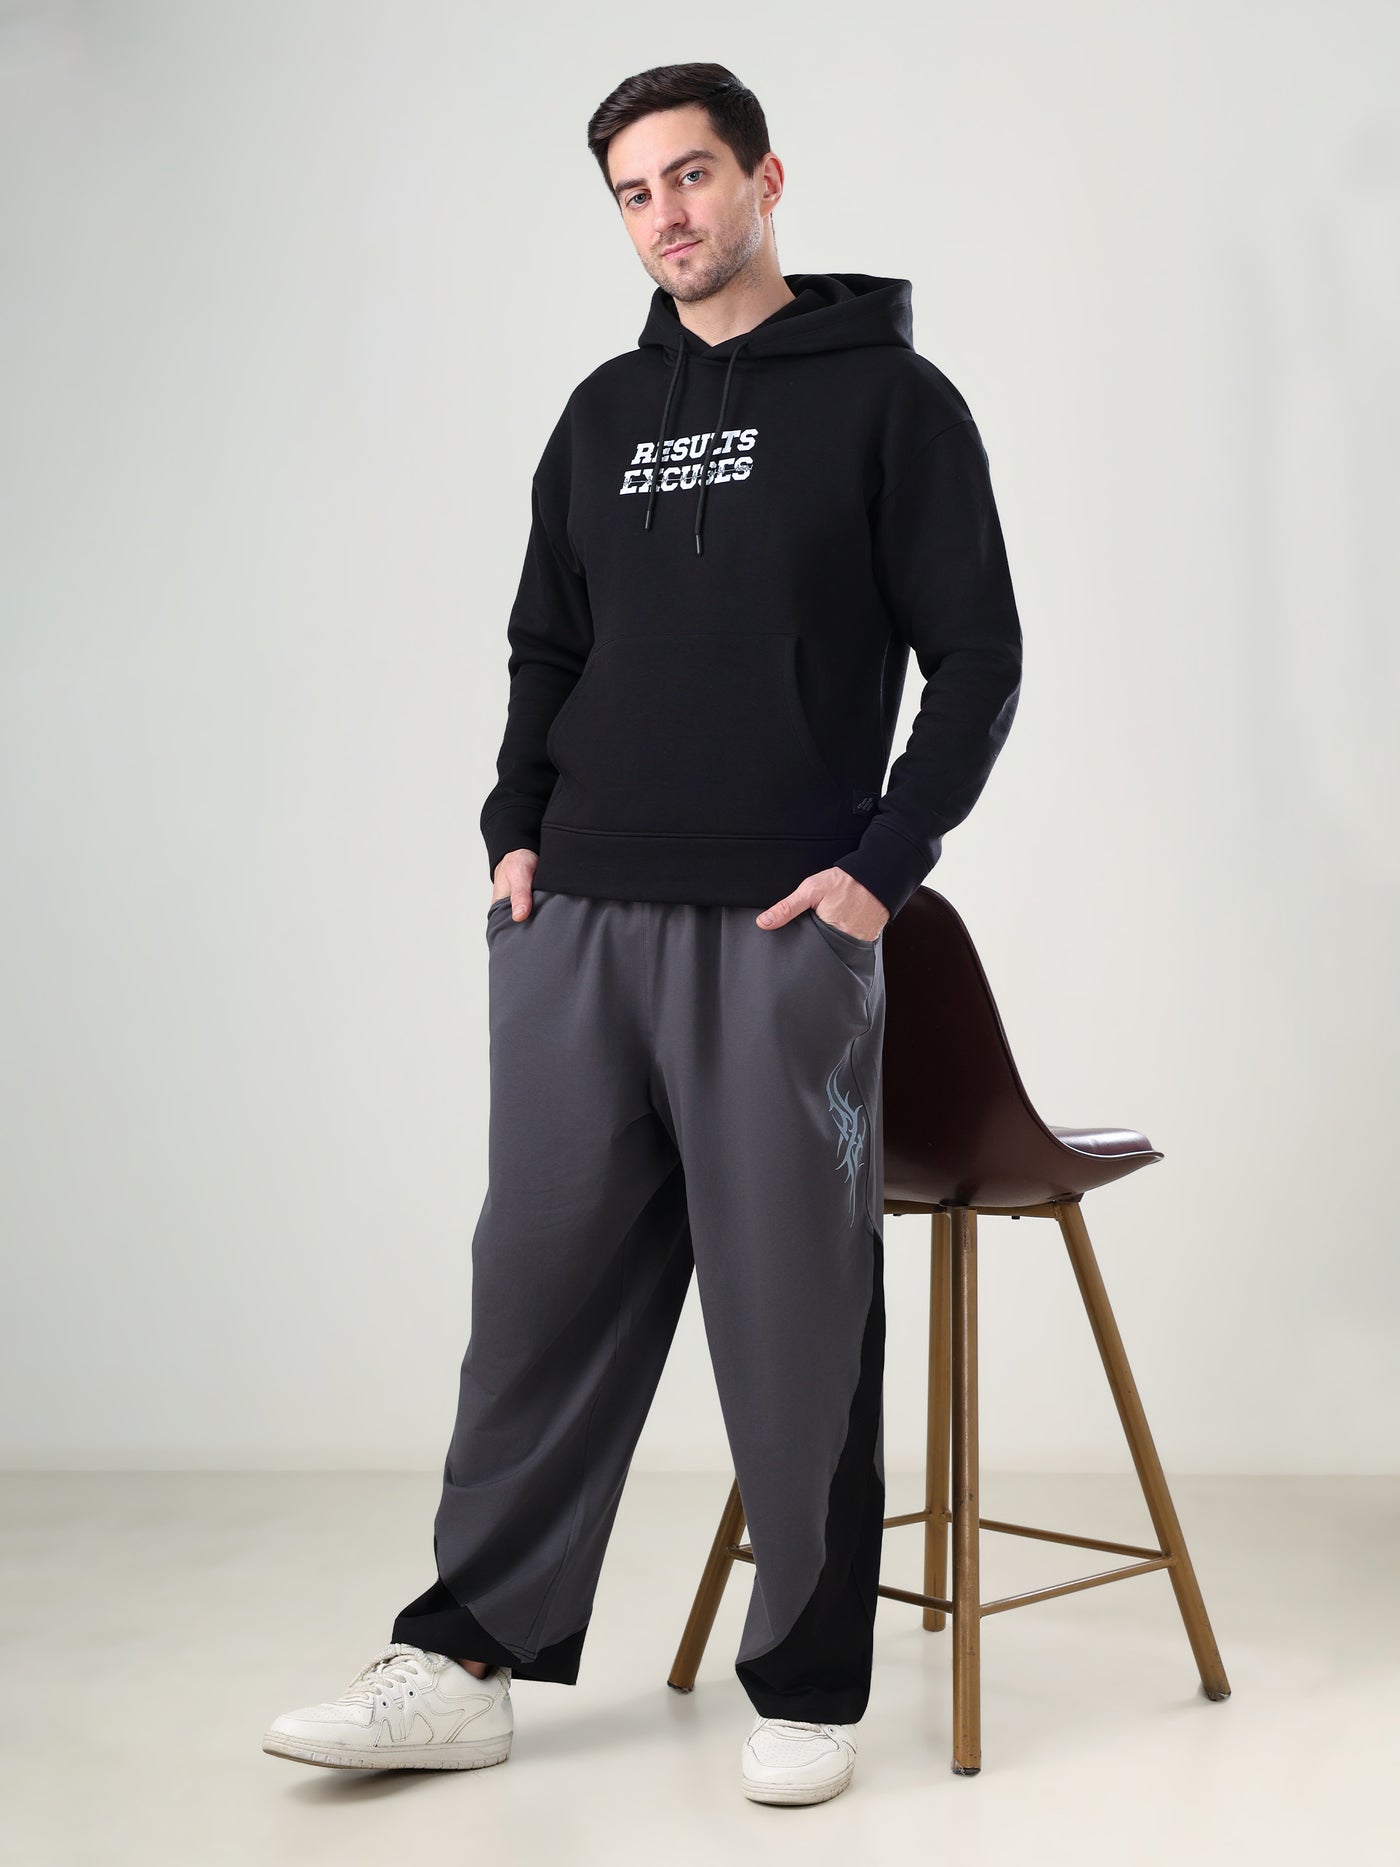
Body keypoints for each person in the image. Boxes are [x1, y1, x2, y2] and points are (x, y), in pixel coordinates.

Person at [263, 60, 1022, 1807]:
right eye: (632, 191)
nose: (666, 214)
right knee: (533, 1294)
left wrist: (882, 868)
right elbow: (547, 643)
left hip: (777, 920)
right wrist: (512, 835)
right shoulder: (603, 412)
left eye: (691, 175)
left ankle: (809, 1685)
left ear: (764, 179)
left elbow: (980, 655)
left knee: (795, 1309)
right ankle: (462, 1657)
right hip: (578, 919)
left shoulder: (894, 403)